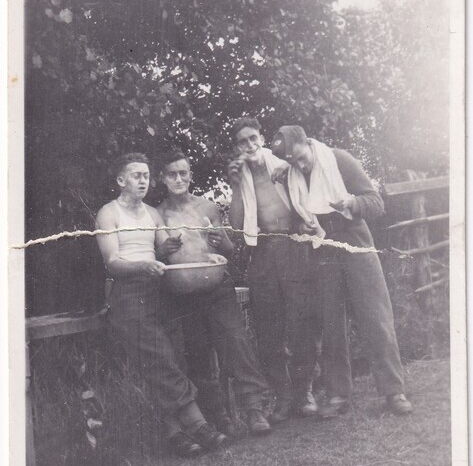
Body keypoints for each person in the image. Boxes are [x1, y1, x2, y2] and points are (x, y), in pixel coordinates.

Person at [271, 125, 413, 416]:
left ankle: (393, 391)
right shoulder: (291, 178)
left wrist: (352, 202)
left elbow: (376, 202)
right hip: (323, 250)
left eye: (301, 158)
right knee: (332, 324)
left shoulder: (340, 159)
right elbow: (294, 221)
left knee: (376, 317)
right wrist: (303, 225)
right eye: (292, 162)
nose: (300, 165)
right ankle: (339, 396)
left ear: (308, 143)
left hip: (356, 242)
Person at [95, 152, 229, 458]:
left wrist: (208, 256)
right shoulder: (109, 214)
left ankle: (175, 433)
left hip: (159, 287)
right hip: (127, 293)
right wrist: (146, 264)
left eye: (146, 175)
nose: (143, 181)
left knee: (173, 357)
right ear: (121, 181)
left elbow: (169, 249)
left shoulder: (152, 215)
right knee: (159, 358)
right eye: (136, 175)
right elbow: (112, 262)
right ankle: (198, 425)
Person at [157, 149, 271, 436]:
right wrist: (163, 250)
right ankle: (221, 419)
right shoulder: (157, 215)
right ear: (162, 178)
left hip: (216, 288)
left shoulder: (207, 207)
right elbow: (155, 259)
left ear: (191, 175)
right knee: (198, 355)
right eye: (172, 174)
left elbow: (231, 252)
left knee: (236, 344)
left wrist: (220, 241)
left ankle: (254, 410)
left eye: (184, 173)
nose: (179, 178)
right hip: (183, 294)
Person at [227, 117, 331, 422]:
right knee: (268, 327)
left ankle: (305, 391)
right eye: (242, 142)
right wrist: (234, 187)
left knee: (302, 321)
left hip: (294, 246)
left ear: (261, 138)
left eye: (253, 138)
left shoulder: (282, 163)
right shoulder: (240, 173)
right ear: (237, 147)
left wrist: (291, 178)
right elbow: (235, 225)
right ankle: (283, 397)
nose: (249, 145)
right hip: (262, 253)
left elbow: (310, 192)